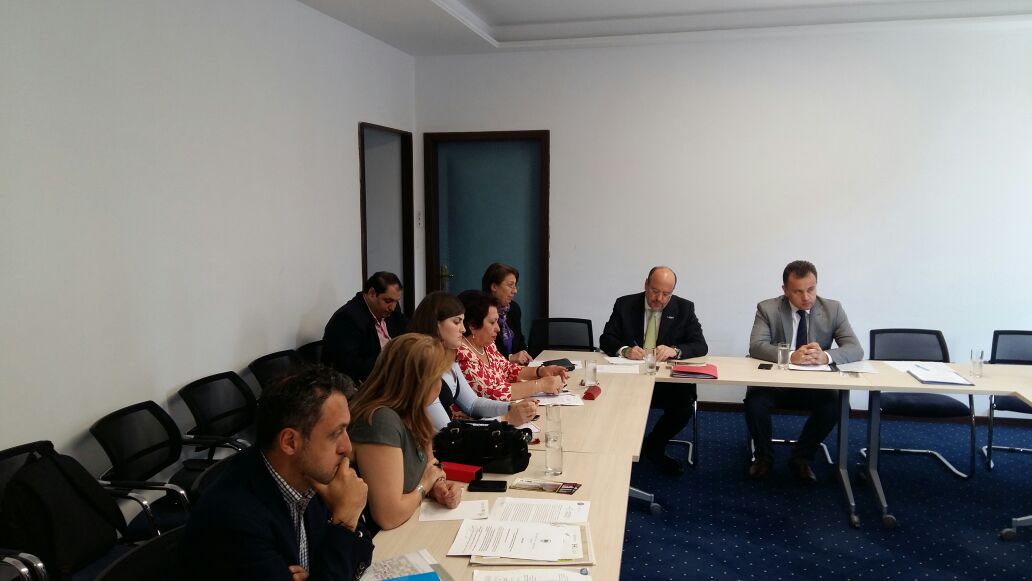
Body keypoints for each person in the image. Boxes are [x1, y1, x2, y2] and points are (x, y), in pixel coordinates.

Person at [181, 365, 373, 581]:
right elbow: (344, 550)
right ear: (290, 442)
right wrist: (345, 522)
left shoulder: (313, 475)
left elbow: (361, 550)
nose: (347, 447)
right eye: (336, 433)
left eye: (346, 429)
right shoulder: (234, 519)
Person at [745, 260, 864, 484]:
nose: (806, 297)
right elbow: (756, 346)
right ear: (785, 290)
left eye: (811, 289)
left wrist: (825, 356)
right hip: (777, 382)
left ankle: (801, 458)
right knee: (755, 402)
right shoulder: (767, 308)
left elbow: (855, 348)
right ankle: (763, 457)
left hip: (814, 383)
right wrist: (791, 355)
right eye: (798, 291)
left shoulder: (833, 309)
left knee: (837, 405)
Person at [348, 334, 464, 531]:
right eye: (437, 378)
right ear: (419, 384)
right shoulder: (380, 420)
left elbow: (431, 466)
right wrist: (426, 485)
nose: (440, 385)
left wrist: (439, 485)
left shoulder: (415, 413)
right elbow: (388, 516)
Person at [599, 266, 708, 476]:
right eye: (655, 291)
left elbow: (700, 345)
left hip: (666, 383)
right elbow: (607, 339)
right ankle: (616, 449)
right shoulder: (625, 304)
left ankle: (654, 446)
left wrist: (675, 350)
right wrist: (625, 350)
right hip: (630, 379)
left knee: (683, 407)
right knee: (608, 402)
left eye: (666, 294)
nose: (659, 299)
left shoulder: (684, 308)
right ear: (646, 285)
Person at [409, 291, 538, 430]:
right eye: (456, 322)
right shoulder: (423, 367)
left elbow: (472, 403)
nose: (463, 329)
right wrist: (507, 419)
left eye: (462, 322)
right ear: (435, 324)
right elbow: (445, 432)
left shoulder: (448, 357)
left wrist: (510, 407)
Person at [455, 290, 568, 402]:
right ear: (473, 325)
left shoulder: (487, 345)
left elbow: (508, 370)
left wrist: (540, 371)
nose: (498, 329)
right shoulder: (462, 354)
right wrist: (541, 385)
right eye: (492, 322)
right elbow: (493, 393)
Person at [322, 271, 408, 383]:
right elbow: (348, 366)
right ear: (372, 293)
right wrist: (390, 361)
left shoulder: (392, 310)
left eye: (396, 301)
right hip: (367, 382)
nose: (392, 307)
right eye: (388, 301)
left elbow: (409, 333)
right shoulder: (347, 319)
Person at [482, 262, 531, 365]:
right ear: (494, 286)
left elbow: (520, 340)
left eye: (515, 285)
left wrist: (524, 354)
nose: (515, 291)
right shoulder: (481, 311)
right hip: (492, 369)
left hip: (515, 368)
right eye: (510, 285)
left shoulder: (513, 308)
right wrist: (510, 358)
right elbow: (482, 350)